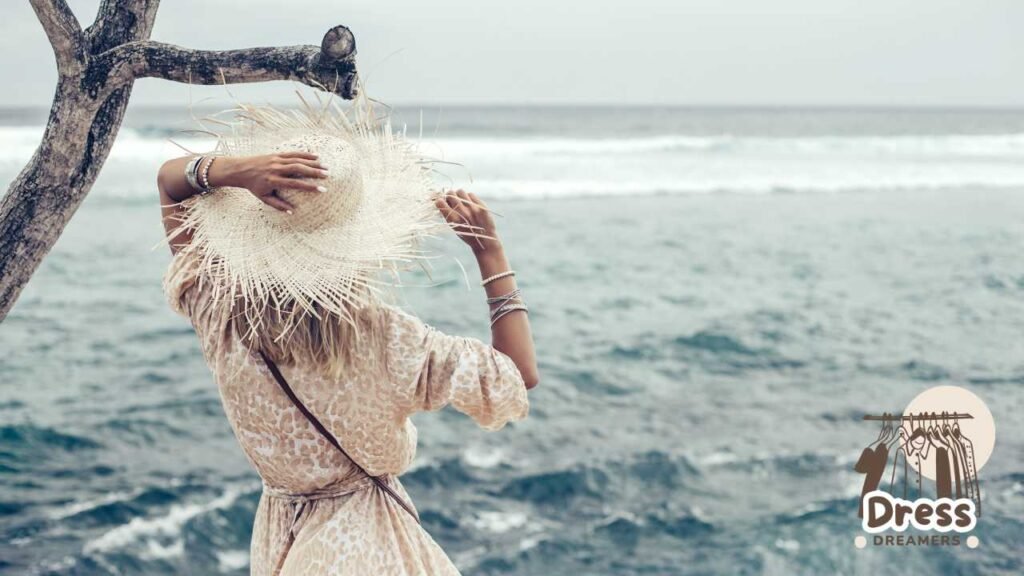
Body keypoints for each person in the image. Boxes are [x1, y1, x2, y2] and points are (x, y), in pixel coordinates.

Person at [157, 105, 539, 575]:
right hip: (372, 546)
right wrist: (490, 254)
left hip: (283, 542)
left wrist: (237, 171)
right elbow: (518, 374)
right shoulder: (388, 340)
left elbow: (170, 183)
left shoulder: (218, 311)